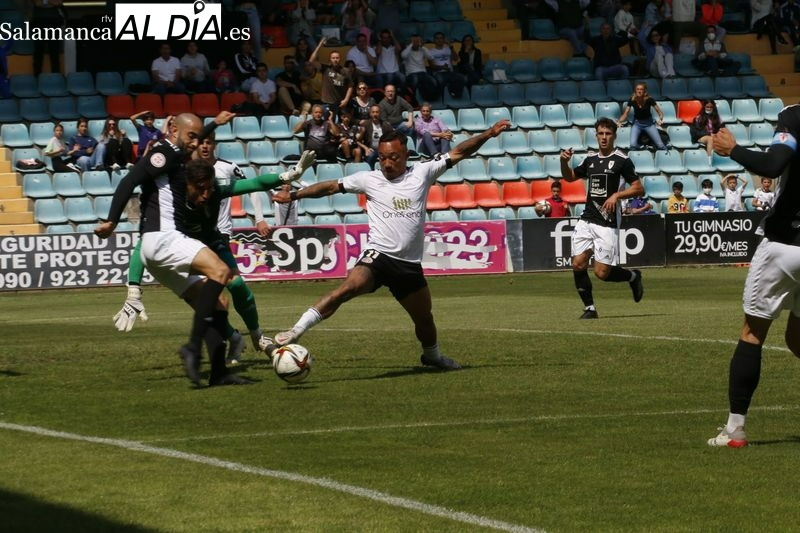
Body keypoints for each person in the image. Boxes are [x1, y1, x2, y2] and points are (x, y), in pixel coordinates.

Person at [270, 119, 513, 370]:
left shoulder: (423, 172)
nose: (387, 163)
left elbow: (460, 151)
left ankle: (433, 357)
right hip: (379, 256)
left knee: (424, 319)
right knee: (347, 289)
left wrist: (489, 133)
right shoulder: (369, 179)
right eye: (382, 158)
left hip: (408, 264)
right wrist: (295, 195)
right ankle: (296, 330)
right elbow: (331, 186)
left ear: (406, 154)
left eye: (393, 157)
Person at [95, 111, 316, 386]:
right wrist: (112, 223)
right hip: (164, 240)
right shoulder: (164, 154)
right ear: (173, 129)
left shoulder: (179, 166)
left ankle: (219, 371)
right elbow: (130, 182)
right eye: (192, 137)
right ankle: (193, 344)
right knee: (222, 273)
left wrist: (288, 173)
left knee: (217, 306)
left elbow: (253, 182)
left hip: (160, 250)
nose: (197, 143)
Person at [706, 105, 800, 448]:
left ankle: (735, 431)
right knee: (797, 340)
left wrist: (734, 150)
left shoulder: (795, 116)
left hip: (785, 243)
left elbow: (773, 165)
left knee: (752, 334)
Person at [560, 117, 645, 320]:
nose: (604, 137)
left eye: (608, 134)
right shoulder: (590, 160)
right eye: (601, 133)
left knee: (602, 273)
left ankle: (633, 276)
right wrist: (563, 162)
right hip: (587, 218)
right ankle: (590, 308)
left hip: (607, 222)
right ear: (596, 135)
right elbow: (569, 177)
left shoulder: (622, 161)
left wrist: (617, 195)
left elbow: (639, 188)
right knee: (578, 264)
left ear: (614, 136)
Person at [309, 36, 354, 120]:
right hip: (327, 103)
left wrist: (346, 100)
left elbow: (350, 86)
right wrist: (319, 45)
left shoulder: (346, 71)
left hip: (341, 103)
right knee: (328, 124)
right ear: (330, 59)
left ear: (340, 59)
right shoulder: (325, 68)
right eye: (333, 58)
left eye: (337, 58)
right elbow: (311, 61)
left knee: (343, 125)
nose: (335, 60)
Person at [617, 82, 668, 151]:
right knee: (633, 145)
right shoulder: (632, 99)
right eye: (637, 89)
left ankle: (667, 154)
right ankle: (642, 148)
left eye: (641, 89)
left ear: (644, 91)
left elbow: (660, 112)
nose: (639, 91)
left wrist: (660, 119)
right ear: (635, 90)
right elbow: (626, 113)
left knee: (660, 145)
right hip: (637, 124)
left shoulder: (649, 99)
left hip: (649, 124)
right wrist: (619, 121)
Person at [428, 32, 467, 98]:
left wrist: (451, 47)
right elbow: (432, 66)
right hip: (438, 73)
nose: (439, 40)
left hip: (450, 72)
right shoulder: (430, 52)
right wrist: (442, 67)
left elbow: (456, 58)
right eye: (437, 38)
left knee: (462, 78)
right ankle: (442, 99)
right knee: (441, 80)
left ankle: (455, 96)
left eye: (441, 38)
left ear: (444, 40)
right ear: (434, 40)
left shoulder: (448, 49)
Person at [401, 34, 438, 102]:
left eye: (418, 41)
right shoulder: (407, 50)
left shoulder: (422, 49)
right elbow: (403, 56)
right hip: (411, 74)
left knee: (433, 81)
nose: (416, 43)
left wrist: (423, 46)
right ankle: (413, 100)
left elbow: (430, 57)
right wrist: (411, 45)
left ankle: (432, 99)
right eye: (414, 41)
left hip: (422, 73)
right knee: (415, 80)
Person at [32, 0, 65, 76]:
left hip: (54, 21)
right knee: (38, 52)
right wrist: (51, 2)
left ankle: (56, 77)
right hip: (39, 21)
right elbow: (37, 3)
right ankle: (36, 77)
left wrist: (44, 2)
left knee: (55, 52)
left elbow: (59, 2)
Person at [358, 103, 394, 168]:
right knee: (370, 156)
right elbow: (357, 141)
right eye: (373, 112)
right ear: (370, 114)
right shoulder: (365, 125)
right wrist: (366, 148)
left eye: (377, 112)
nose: (375, 114)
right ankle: (370, 173)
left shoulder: (385, 125)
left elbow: (393, 137)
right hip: (371, 150)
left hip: (384, 149)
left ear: (380, 113)